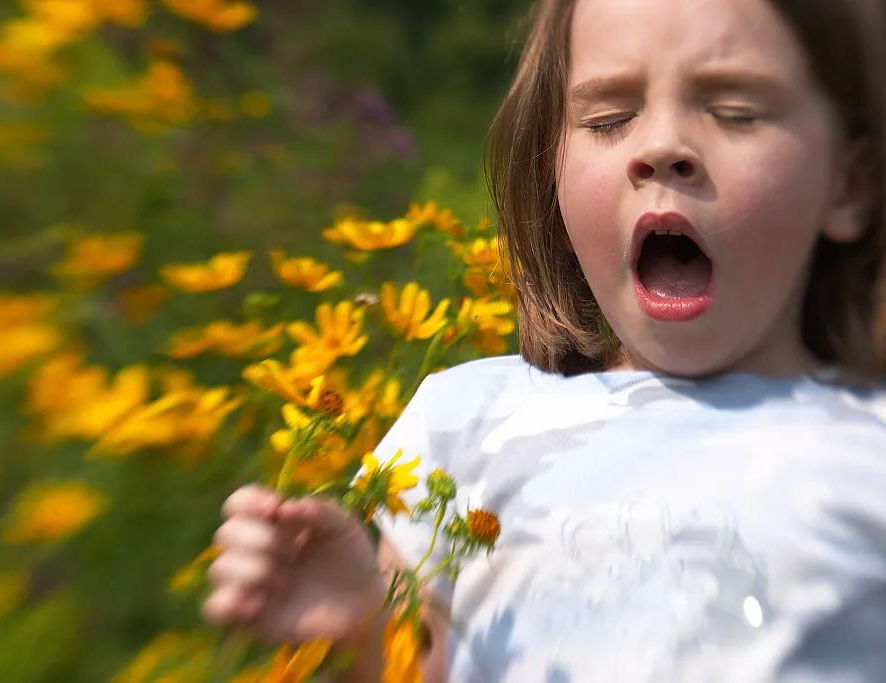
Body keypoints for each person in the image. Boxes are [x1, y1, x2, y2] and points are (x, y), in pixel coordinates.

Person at [202, 0, 886, 680]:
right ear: (551, 165)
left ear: (849, 183)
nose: (660, 148)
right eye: (609, 119)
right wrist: (359, 631)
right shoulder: (468, 422)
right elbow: (418, 667)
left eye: (735, 111)